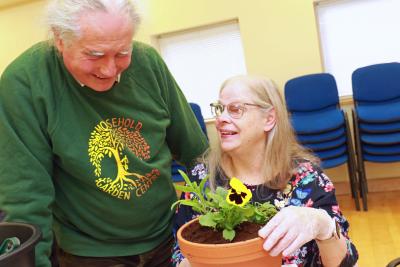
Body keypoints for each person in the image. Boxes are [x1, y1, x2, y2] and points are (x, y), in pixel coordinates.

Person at [0, 1, 208, 266]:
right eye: (95, 55)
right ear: (60, 39)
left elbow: (197, 153)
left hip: (169, 236)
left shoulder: (149, 64)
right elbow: (25, 196)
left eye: (122, 53)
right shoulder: (25, 82)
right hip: (90, 253)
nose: (109, 69)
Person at [172, 75, 358, 267]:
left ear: (269, 119)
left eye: (235, 109)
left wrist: (323, 225)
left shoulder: (307, 180)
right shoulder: (202, 178)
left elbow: (347, 264)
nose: (221, 118)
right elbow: (178, 251)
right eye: (220, 109)